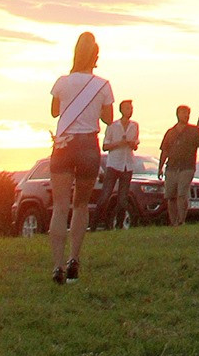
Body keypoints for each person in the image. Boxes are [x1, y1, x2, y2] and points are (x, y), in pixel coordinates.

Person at [48, 33, 114, 284]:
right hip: (88, 144)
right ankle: (74, 259)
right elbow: (108, 118)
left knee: (60, 206)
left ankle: (57, 266)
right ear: (95, 56)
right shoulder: (103, 85)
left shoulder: (62, 82)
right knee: (80, 205)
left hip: (64, 145)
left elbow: (55, 111)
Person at [98, 97, 139, 230]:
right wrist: (118, 144)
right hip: (114, 164)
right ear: (121, 110)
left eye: (131, 108)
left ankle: (119, 225)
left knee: (123, 198)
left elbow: (135, 145)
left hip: (128, 165)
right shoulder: (112, 126)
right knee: (105, 195)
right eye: (128, 108)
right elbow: (105, 146)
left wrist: (132, 144)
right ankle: (96, 224)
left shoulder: (134, 125)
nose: (130, 111)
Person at [159, 106, 199, 225]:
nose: (186, 115)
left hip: (187, 167)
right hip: (171, 167)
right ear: (177, 114)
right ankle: (174, 222)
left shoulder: (194, 131)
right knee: (171, 196)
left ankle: (181, 220)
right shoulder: (170, 132)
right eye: (184, 113)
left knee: (182, 194)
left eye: (188, 113)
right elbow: (164, 151)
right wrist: (160, 168)